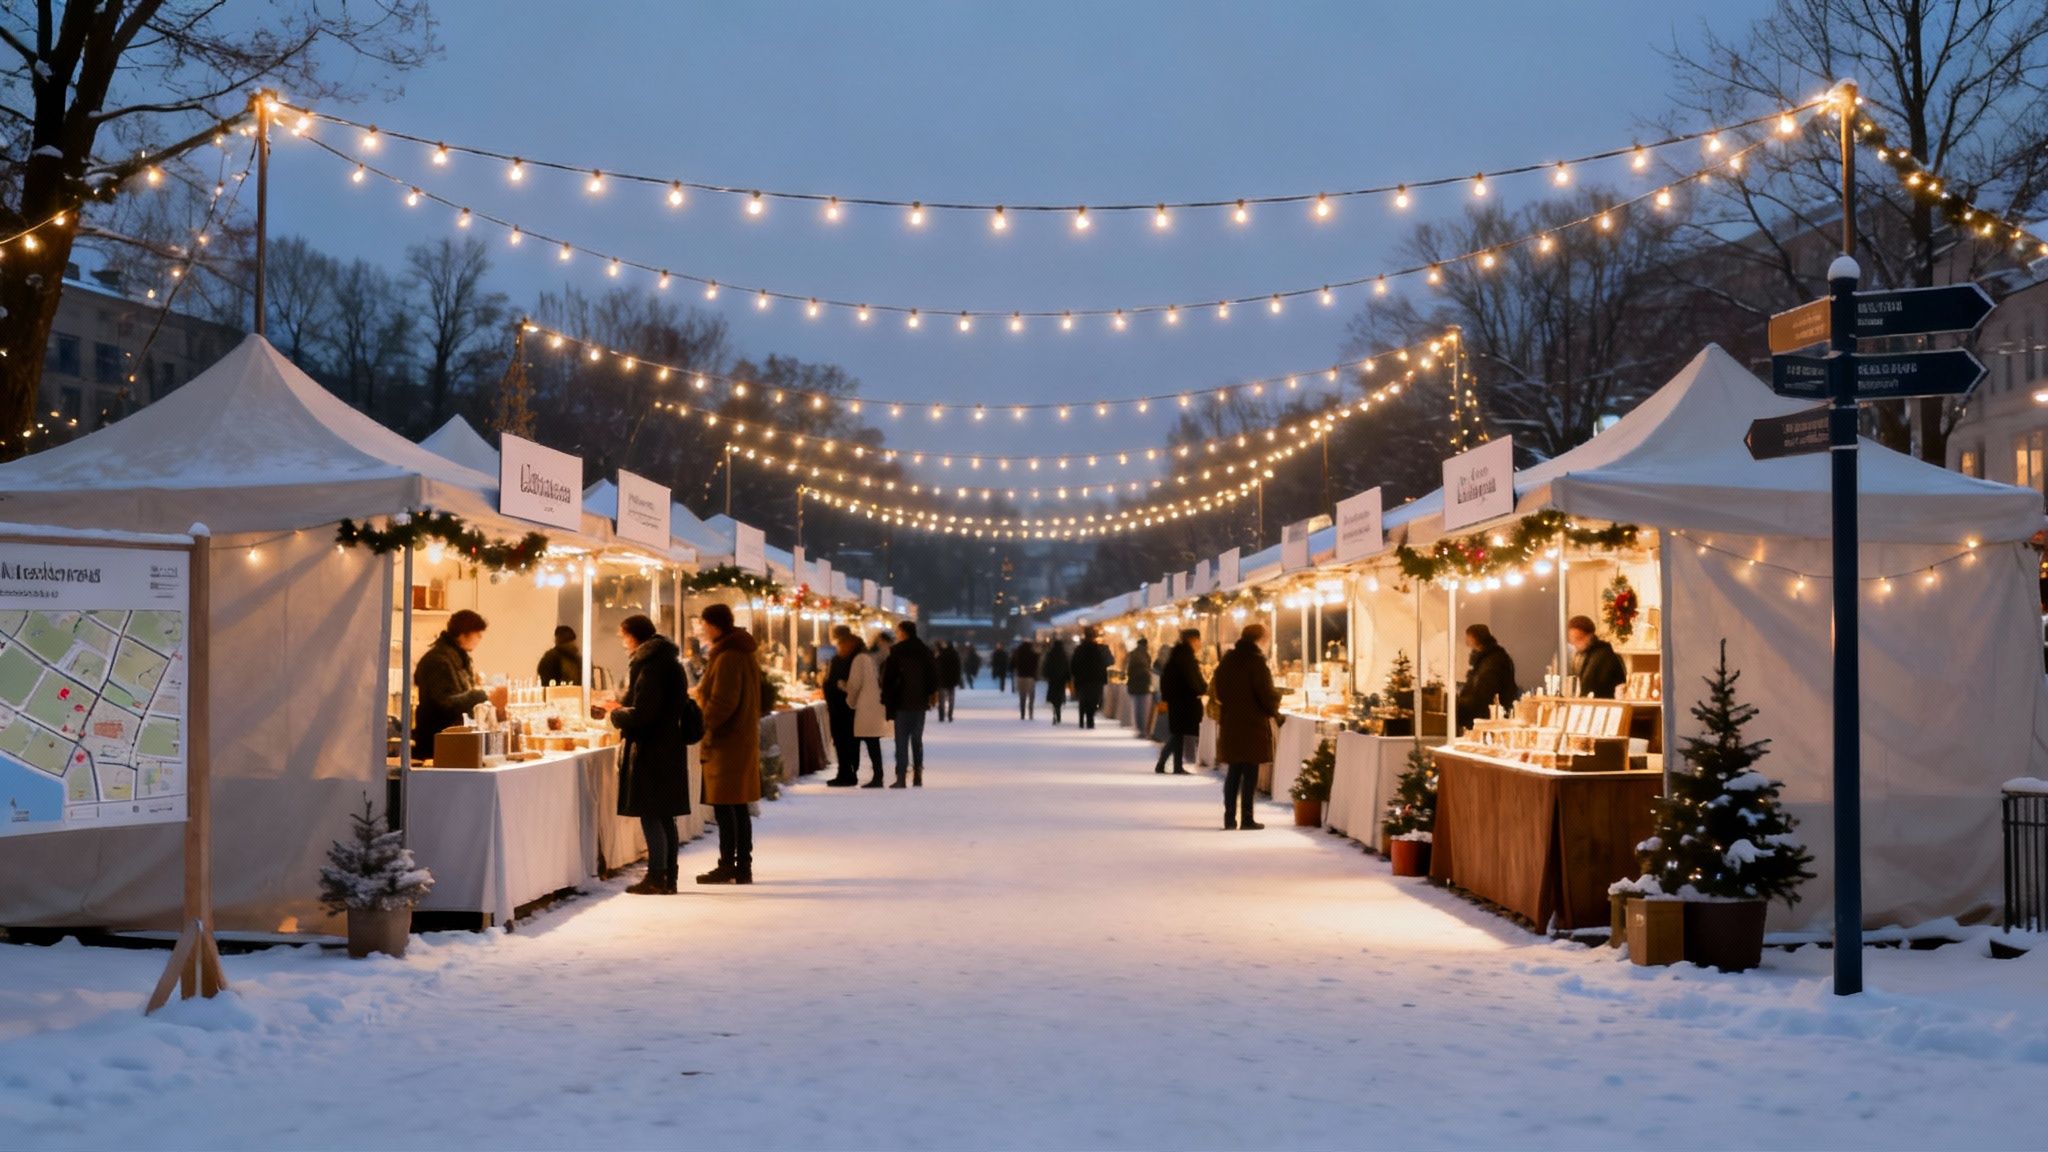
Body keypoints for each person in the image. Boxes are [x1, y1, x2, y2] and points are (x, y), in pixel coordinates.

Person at [605, 615, 689, 895]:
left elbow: (645, 713)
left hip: (653, 748)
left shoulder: (651, 666)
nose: (621, 641)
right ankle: (668, 876)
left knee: (652, 814)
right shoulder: (668, 663)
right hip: (667, 745)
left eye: (623, 635)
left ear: (634, 636)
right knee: (665, 815)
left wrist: (616, 714)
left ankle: (657, 877)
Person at [693, 603, 762, 884]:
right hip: (738, 739)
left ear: (714, 625)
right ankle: (740, 865)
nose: (700, 629)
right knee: (737, 806)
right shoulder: (739, 653)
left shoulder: (728, 657)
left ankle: (731, 865)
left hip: (726, 743)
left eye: (703, 623)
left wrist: (704, 720)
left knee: (727, 806)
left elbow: (723, 701)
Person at [412, 609, 506, 761]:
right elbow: (444, 704)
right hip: (437, 746)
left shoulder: (456, 659)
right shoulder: (438, 661)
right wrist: (482, 695)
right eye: (477, 633)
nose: (480, 638)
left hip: (451, 742)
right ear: (464, 634)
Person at [1212, 623, 1280, 831]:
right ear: (1259, 640)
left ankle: (1229, 817)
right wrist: (1275, 706)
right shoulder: (1257, 662)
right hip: (1252, 724)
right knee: (1250, 772)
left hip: (1232, 722)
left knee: (1234, 771)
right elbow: (1265, 694)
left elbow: (1219, 691)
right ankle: (1247, 818)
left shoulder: (1228, 660)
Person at [881, 620, 940, 787]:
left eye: (898, 631)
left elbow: (888, 679)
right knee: (916, 739)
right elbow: (933, 676)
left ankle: (901, 777)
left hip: (901, 702)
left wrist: (887, 699)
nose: (897, 634)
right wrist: (929, 694)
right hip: (919, 702)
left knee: (901, 741)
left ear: (903, 633)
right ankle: (917, 774)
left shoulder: (897, 652)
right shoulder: (925, 651)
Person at [1154, 629, 1206, 775]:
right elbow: (1191, 679)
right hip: (1184, 701)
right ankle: (1168, 764)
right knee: (1178, 734)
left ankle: (1172, 765)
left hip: (1178, 700)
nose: (1199, 644)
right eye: (1198, 640)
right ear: (1192, 640)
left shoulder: (1178, 655)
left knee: (1178, 734)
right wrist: (1202, 688)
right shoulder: (1185, 657)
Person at [841, 630, 888, 788]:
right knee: (872, 740)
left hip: (866, 705)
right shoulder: (876, 658)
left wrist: (848, 698)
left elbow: (854, 684)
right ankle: (877, 774)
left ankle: (875, 775)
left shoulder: (860, 659)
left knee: (870, 741)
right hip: (877, 703)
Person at [1456, 623, 1519, 732]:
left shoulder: (1491, 661)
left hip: (1487, 718)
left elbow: (1484, 691)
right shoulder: (1489, 659)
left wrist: (1462, 704)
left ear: (1475, 638)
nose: (1466, 642)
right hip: (1486, 714)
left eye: (1468, 638)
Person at [822, 626, 860, 787]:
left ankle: (846, 773)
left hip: (841, 708)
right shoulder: (856, 657)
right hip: (846, 708)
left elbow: (835, 683)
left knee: (843, 741)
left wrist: (830, 685)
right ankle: (848, 772)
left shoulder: (843, 661)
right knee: (848, 741)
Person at [1567, 615, 1627, 699]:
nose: (1574, 644)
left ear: (1589, 636)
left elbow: (1591, 687)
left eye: (1578, 638)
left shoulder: (1602, 655)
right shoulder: (1586, 654)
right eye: (1572, 640)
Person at [1069, 626, 1111, 730]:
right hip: (1095, 679)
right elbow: (1107, 662)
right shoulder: (1099, 649)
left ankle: (1082, 718)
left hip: (1082, 679)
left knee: (1083, 699)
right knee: (1093, 700)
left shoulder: (1079, 649)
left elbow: (1073, 665)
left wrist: (1075, 675)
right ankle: (1090, 719)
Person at [1123, 638, 1154, 742]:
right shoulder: (1145, 655)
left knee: (1137, 708)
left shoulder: (1132, 654)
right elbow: (1147, 670)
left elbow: (1127, 669)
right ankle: (1143, 730)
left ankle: (1139, 729)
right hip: (1144, 686)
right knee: (1144, 709)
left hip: (1133, 685)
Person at [1040, 638, 1071, 725]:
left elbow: (1046, 666)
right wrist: (1068, 678)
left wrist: (1046, 675)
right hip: (1061, 680)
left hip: (1052, 679)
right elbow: (1067, 667)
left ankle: (1055, 710)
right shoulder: (1064, 655)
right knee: (1060, 695)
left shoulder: (1050, 654)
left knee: (1053, 696)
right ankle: (1058, 710)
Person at [1011, 640, 1039, 719]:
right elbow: (1036, 664)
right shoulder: (1033, 654)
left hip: (1021, 676)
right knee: (1031, 696)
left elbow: (1012, 664)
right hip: (1030, 677)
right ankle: (1031, 713)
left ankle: (1022, 713)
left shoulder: (1018, 654)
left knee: (1022, 696)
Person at [936, 641, 962, 723]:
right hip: (951, 680)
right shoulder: (955, 655)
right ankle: (950, 715)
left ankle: (941, 716)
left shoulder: (940, 655)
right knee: (951, 699)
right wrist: (957, 680)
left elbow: (936, 668)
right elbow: (958, 669)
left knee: (941, 699)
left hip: (941, 680)